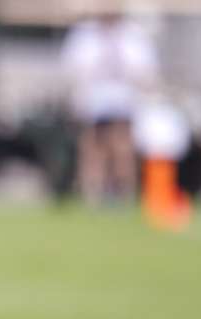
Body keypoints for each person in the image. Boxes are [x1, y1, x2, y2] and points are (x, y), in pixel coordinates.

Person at [60, 10, 158, 204]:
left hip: (124, 98)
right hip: (93, 98)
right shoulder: (84, 33)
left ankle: (123, 190)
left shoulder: (133, 34)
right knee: (93, 146)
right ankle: (93, 190)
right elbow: (72, 67)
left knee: (121, 145)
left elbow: (145, 70)